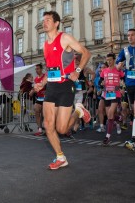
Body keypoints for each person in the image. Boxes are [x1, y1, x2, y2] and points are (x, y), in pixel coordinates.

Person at [33, 11, 91, 170]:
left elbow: (86, 53)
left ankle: (78, 111)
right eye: (43, 20)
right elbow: (51, 70)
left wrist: (78, 71)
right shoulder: (45, 45)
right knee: (47, 125)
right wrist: (42, 83)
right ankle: (61, 157)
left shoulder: (65, 38)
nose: (44, 22)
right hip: (51, 88)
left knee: (62, 129)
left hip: (66, 86)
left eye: (48, 20)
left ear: (56, 23)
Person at [100, 54, 125, 145]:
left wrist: (123, 88)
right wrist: (101, 83)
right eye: (107, 60)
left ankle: (107, 136)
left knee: (110, 113)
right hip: (107, 94)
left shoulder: (118, 70)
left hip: (116, 94)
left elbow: (123, 80)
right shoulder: (104, 71)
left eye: (110, 60)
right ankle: (119, 118)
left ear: (114, 60)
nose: (108, 62)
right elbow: (100, 81)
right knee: (109, 115)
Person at [30, 63, 46, 136]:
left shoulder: (45, 76)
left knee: (43, 114)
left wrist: (46, 90)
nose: (36, 70)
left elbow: (48, 85)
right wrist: (32, 91)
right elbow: (35, 88)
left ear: (41, 69)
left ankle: (44, 128)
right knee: (36, 111)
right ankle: (39, 128)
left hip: (46, 98)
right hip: (39, 98)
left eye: (38, 69)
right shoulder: (35, 79)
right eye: (36, 69)